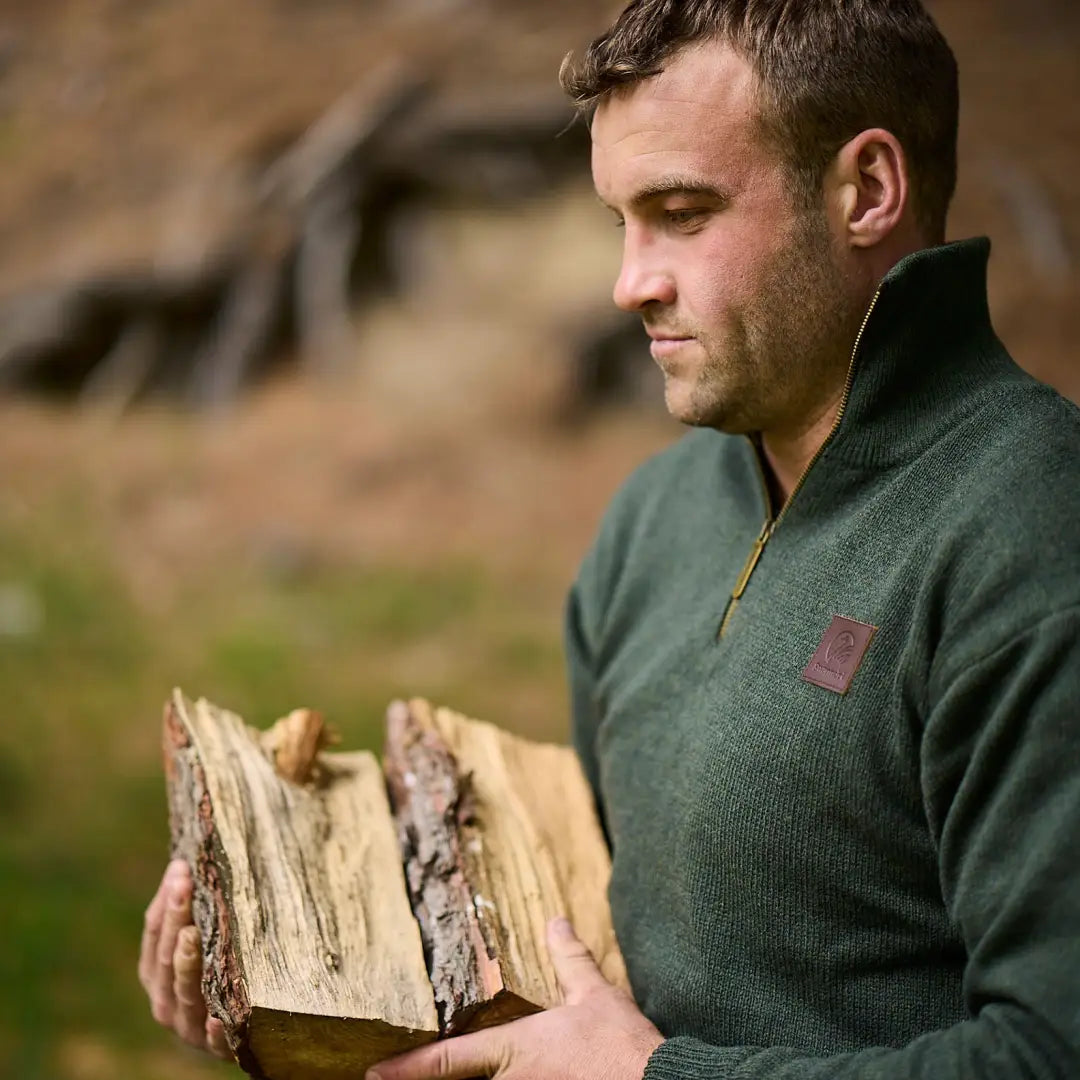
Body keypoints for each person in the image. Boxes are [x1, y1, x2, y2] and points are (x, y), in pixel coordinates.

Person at [140, 1, 1080, 1077]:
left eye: (683, 212)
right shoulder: (654, 522)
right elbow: (600, 974)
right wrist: (275, 977)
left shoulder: (1033, 540)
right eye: (619, 222)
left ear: (865, 190)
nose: (631, 282)